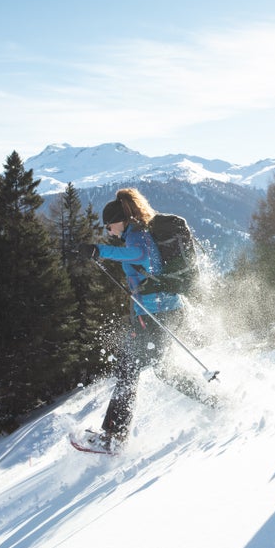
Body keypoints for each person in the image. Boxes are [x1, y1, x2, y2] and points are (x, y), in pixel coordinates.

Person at [77, 188, 211, 450]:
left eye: (110, 225)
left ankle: (112, 438)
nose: (109, 231)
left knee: (129, 369)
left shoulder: (137, 236)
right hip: (161, 311)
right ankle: (215, 400)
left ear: (121, 219)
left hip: (157, 313)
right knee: (163, 370)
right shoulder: (137, 234)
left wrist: (99, 250)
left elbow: (138, 256)